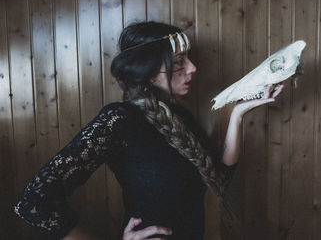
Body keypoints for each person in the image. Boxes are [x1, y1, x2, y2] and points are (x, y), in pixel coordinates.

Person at [13, 21, 284, 240]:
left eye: (188, 59)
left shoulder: (181, 118)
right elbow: (33, 202)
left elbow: (220, 178)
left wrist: (237, 113)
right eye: (179, 61)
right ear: (148, 69)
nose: (193, 68)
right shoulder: (119, 120)